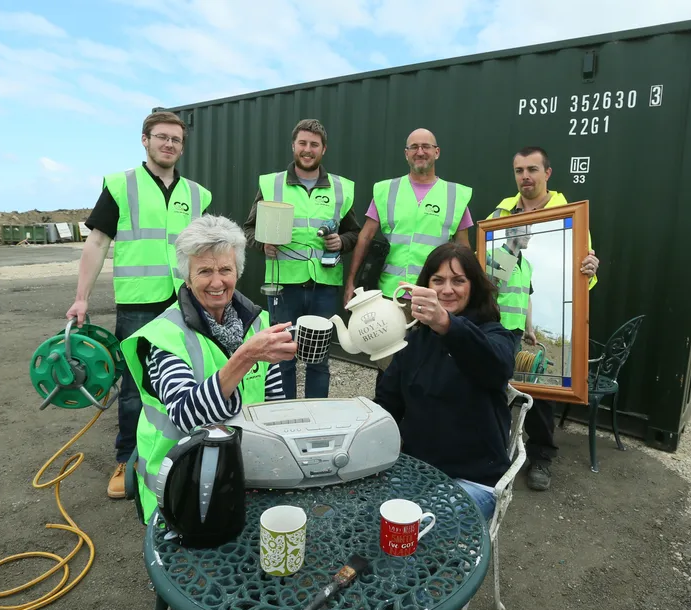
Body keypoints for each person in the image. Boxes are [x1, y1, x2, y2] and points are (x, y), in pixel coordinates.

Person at [67, 110, 213, 500]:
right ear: (145, 140)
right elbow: (97, 244)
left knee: (190, 377)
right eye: (162, 137)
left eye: (176, 140)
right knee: (135, 387)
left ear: (182, 146)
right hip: (138, 303)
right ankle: (128, 458)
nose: (169, 144)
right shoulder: (121, 186)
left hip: (184, 301)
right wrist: (81, 298)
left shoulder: (198, 195)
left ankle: (187, 456)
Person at [120, 215, 295, 524]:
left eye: (225, 269)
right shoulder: (165, 336)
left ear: (238, 273)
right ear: (187, 277)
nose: (217, 282)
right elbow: (186, 417)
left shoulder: (259, 324)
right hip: (181, 486)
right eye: (204, 271)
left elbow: (275, 405)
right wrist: (244, 358)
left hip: (246, 471)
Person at [373, 243, 516, 523]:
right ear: (425, 285)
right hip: (416, 472)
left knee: (414, 531)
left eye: (458, 281)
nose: (447, 290)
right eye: (438, 280)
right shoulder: (414, 340)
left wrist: (447, 324)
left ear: (473, 287)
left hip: (474, 480)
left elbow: (496, 367)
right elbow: (387, 402)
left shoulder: (495, 335)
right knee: (366, 516)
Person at [488, 146, 598, 491]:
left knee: (540, 394)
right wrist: (512, 247)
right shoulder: (500, 213)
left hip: (521, 330)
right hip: (495, 327)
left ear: (547, 173)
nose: (525, 176)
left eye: (532, 169)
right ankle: (494, 453)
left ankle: (541, 457)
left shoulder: (569, 215)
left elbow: (574, 281)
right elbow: (489, 278)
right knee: (494, 394)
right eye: (519, 170)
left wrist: (590, 269)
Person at [344, 128, 476, 386]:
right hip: (390, 299)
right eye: (414, 147)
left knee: (429, 368)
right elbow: (365, 238)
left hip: (434, 298)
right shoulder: (386, 191)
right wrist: (351, 282)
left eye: (426, 146)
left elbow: (464, 251)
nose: (420, 151)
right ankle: (387, 418)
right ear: (406, 154)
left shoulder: (455, 195)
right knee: (389, 369)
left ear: (436, 152)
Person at [242, 118, 360, 399]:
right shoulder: (271, 184)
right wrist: (262, 244)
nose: (308, 150)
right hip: (284, 286)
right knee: (283, 355)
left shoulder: (340, 188)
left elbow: (354, 232)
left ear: (324, 149)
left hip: (324, 285)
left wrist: (341, 241)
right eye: (303, 143)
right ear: (294, 146)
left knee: (319, 359)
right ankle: (285, 413)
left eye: (314, 145)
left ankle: (316, 414)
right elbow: (248, 229)